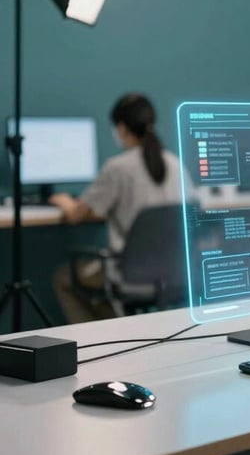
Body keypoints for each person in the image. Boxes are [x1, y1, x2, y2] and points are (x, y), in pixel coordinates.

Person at [51, 93, 188, 323]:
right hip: (175, 272)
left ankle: (93, 344)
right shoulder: (176, 164)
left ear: (122, 128)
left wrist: (63, 201)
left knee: (64, 278)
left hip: (129, 272)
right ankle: (120, 326)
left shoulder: (118, 168)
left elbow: (77, 214)